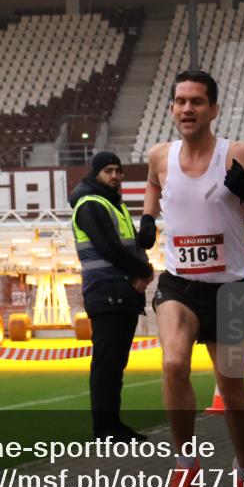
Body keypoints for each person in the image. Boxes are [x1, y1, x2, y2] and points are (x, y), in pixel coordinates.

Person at [142, 70, 244, 487]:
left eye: (196, 102)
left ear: (213, 109)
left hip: (231, 289)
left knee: (231, 384)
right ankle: (184, 464)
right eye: (179, 101)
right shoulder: (160, 155)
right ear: (171, 108)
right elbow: (155, 184)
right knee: (173, 363)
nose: (186, 109)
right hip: (179, 284)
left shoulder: (238, 155)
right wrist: (146, 216)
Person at [69, 151, 154, 442]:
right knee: (107, 363)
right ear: (95, 174)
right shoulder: (90, 203)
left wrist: (146, 231)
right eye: (109, 170)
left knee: (114, 364)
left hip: (118, 294)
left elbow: (125, 245)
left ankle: (112, 425)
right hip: (107, 292)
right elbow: (108, 249)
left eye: (119, 170)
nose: (116, 175)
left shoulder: (111, 204)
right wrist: (144, 270)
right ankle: (104, 429)